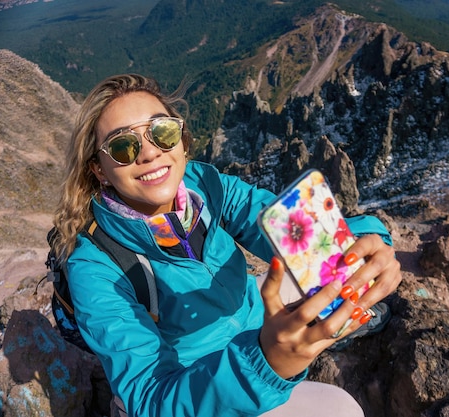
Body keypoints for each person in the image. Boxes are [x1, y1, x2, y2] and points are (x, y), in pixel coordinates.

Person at [51, 73, 402, 417]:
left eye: (162, 131)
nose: (148, 153)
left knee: (305, 270)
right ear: (98, 169)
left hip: (249, 317)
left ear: (181, 139)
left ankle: (341, 315)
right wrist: (267, 362)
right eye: (122, 146)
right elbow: (150, 397)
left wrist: (367, 243)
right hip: (195, 380)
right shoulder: (95, 265)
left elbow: (289, 228)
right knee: (344, 410)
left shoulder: (202, 183)